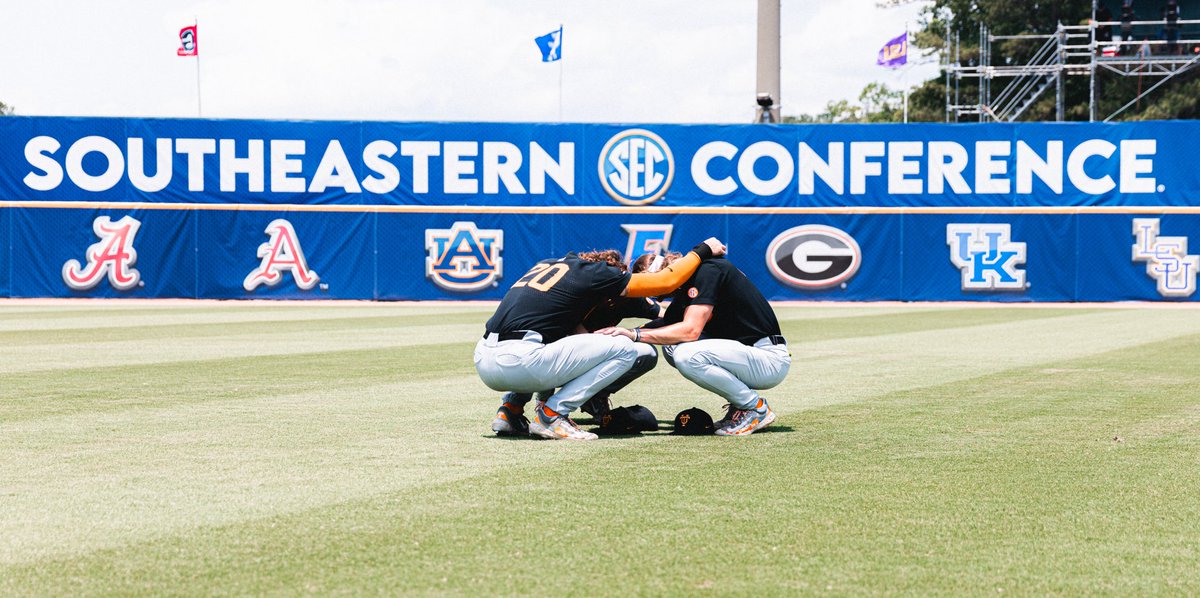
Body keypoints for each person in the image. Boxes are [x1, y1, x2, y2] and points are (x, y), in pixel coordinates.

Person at [476, 237, 726, 440]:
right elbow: (664, 281)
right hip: (521, 361)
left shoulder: (550, 265)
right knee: (624, 348)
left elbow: (659, 311)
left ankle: (510, 410)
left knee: (549, 339)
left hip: (485, 357)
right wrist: (702, 251)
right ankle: (552, 414)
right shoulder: (597, 274)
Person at [597, 252, 790, 436]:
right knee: (672, 347)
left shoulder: (708, 269)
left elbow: (690, 330)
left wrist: (634, 334)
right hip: (748, 355)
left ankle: (755, 408)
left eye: (650, 286)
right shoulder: (689, 286)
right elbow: (666, 324)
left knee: (686, 355)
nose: (652, 295)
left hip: (767, 358)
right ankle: (739, 406)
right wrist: (622, 334)